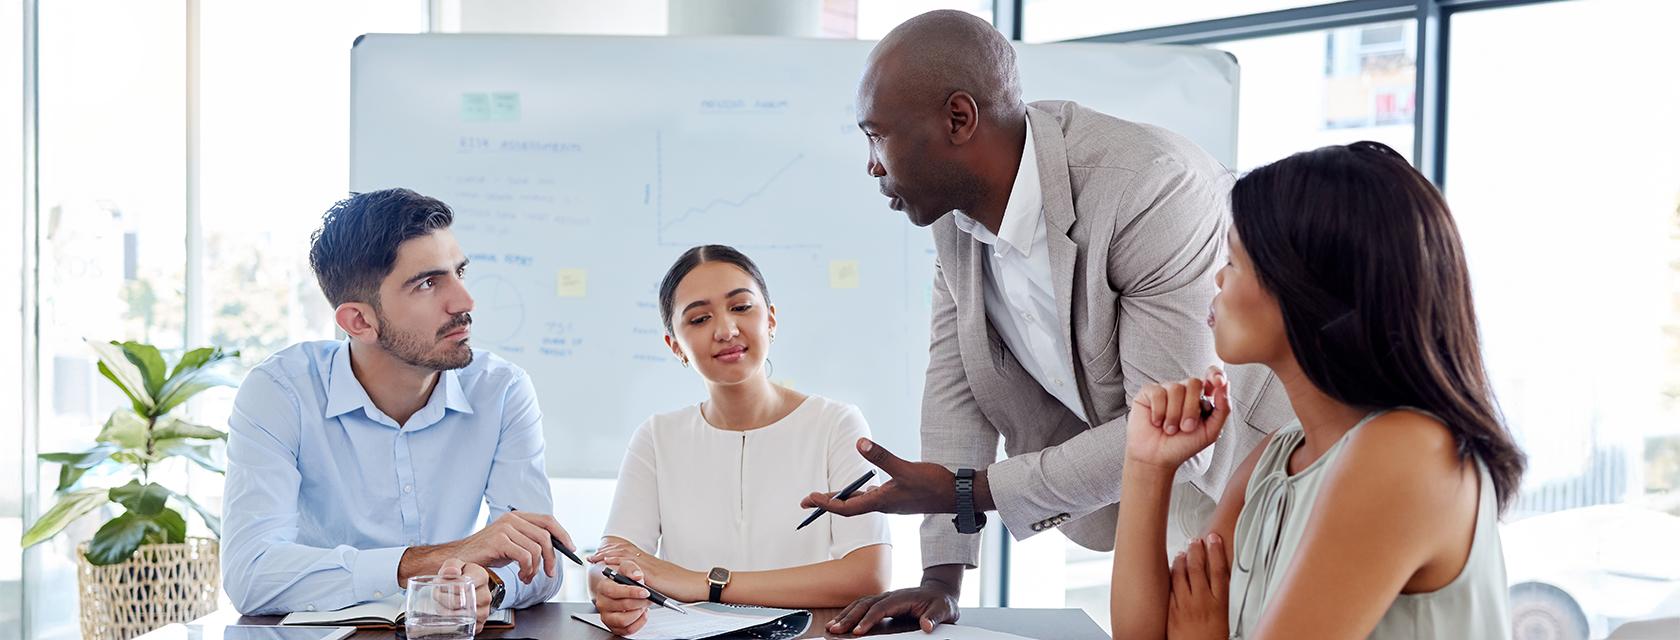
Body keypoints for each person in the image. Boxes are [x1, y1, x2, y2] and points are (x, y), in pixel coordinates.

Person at [802, 10, 1293, 635]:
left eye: (877, 136)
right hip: (1153, 505)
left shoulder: (1148, 188)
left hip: (1267, 472)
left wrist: (969, 491)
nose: (872, 165)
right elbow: (955, 391)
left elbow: (1175, 421)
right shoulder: (958, 224)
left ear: (959, 118)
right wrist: (939, 579)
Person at [1109, 142, 1525, 639]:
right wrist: (1147, 466)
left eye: (1235, 260)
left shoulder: (1408, 452)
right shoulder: (1277, 455)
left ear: (1308, 291)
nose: (1217, 278)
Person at [221, 188, 574, 629]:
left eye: (459, 271)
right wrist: (427, 562)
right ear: (359, 322)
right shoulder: (281, 392)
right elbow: (251, 572)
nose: (465, 303)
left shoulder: (501, 390)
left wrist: (485, 581)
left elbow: (539, 560)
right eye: (428, 283)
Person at [587, 245, 892, 636]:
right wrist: (609, 588)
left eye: (742, 307)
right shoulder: (657, 436)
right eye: (699, 318)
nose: (726, 330)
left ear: (772, 319)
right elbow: (610, 559)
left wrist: (702, 582)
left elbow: (870, 574)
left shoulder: (836, 423)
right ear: (675, 346)